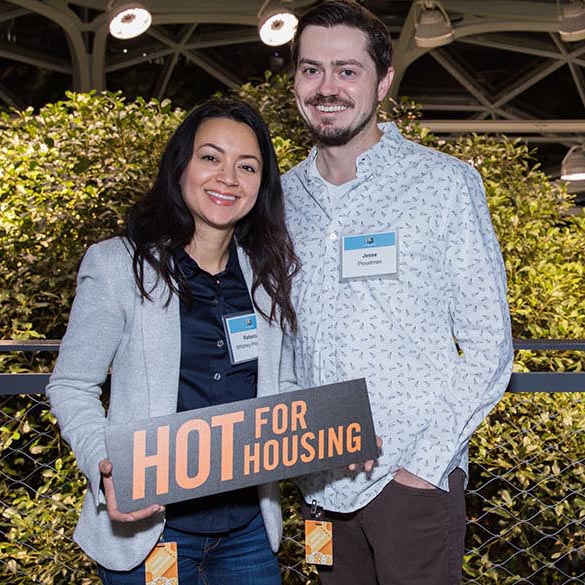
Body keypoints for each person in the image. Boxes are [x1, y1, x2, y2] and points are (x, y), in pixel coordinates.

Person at [281, 2, 514, 584]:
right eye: (311, 70)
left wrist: (423, 466)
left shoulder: (444, 184)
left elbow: (490, 344)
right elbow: (281, 340)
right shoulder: (278, 201)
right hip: (318, 488)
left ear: (383, 80)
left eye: (347, 70)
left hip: (409, 484)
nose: (327, 87)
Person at [46, 98, 299, 584]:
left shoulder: (267, 277)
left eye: (247, 166)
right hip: (150, 531)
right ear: (180, 166)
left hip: (247, 530)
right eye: (211, 157)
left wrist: (328, 434)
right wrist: (108, 467)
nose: (228, 177)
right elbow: (72, 385)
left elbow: (280, 384)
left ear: (261, 185)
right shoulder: (118, 266)